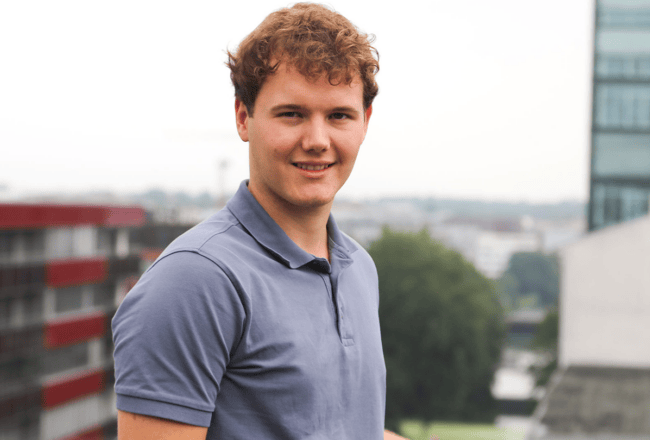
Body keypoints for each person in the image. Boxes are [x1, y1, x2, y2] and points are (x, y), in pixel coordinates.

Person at [112, 3, 391, 439]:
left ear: (365, 122)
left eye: (338, 115)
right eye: (292, 114)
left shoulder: (359, 268)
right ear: (244, 117)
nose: (317, 140)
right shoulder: (194, 281)